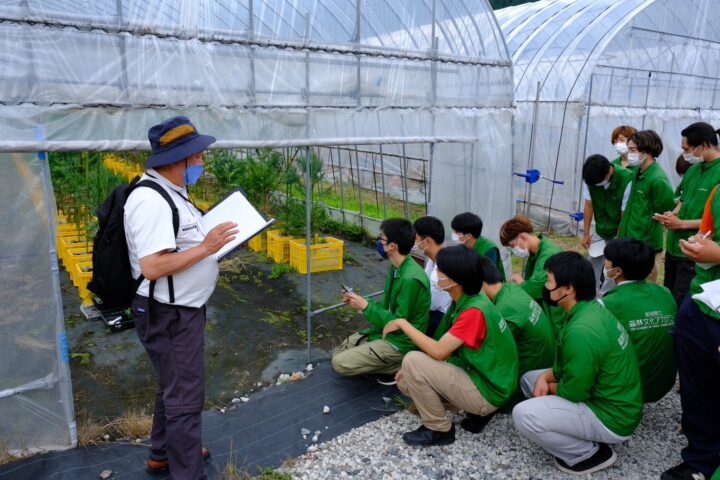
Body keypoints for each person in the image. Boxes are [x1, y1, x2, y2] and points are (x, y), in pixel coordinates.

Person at [124, 116, 239, 479]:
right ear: (179, 160)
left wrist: (213, 247)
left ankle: (163, 452)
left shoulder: (174, 193)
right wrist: (206, 247)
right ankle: (187, 471)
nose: (202, 162)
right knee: (185, 397)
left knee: (172, 386)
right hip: (169, 313)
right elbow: (154, 265)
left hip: (181, 309)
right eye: (198, 156)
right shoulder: (150, 201)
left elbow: (185, 244)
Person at [512, 252, 643, 476]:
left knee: (523, 414)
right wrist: (544, 378)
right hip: (611, 398)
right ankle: (568, 428)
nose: (545, 285)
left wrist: (549, 388)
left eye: (549, 280)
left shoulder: (581, 331)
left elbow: (574, 391)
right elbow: (567, 367)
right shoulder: (591, 308)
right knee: (529, 380)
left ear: (567, 288)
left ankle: (587, 454)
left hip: (611, 416)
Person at [382, 246, 519, 445]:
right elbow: (445, 346)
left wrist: (402, 324)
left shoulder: (474, 311)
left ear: (455, 280)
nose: (435, 274)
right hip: (487, 378)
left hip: (489, 391)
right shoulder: (469, 299)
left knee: (412, 361)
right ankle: (464, 411)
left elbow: (439, 352)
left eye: (440, 271)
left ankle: (439, 429)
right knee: (406, 380)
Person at [661, 186, 720, 480]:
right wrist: (701, 244)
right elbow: (710, 231)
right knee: (697, 385)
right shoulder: (719, 191)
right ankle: (700, 458)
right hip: (703, 300)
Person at [333, 218, 430, 378]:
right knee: (341, 350)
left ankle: (404, 363)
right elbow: (388, 309)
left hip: (401, 342)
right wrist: (360, 302)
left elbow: (398, 323)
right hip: (386, 332)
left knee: (340, 363)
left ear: (392, 246)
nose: (378, 242)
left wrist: (366, 306)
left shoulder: (410, 279)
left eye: (381, 238)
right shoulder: (397, 267)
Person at [600, 238, 676, 403]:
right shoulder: (665, 293)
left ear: (618, 271)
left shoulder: (607, 304)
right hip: (662, 385)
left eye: (606, 260)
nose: (604, 264)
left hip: (627, 390)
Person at [655, 123, 720, 305]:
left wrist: (681, 224)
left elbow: (713, 222)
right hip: (675, 246)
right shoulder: (692, 170)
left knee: (681, 301)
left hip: (695, 251)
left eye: (687, 149)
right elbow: (682, 201)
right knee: (668, 296)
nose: (685, 154)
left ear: (704, 145)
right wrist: (671, 216)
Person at [479, 256, 555, 406]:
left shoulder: (503, 310)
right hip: (546, 365)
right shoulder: (510, 288)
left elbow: (488, 353)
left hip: (528, 380)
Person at [618, 130, 675, 282]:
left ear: (647, 152)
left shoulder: (657, 179)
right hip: (631, 238)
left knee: (645, 283)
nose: (628, 154)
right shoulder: (637, 171)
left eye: (632, 150)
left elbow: (666, 210)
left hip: (645, 243)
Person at [499, 215, 564, 336]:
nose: (514, 250)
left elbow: (534, 287)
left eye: (513, 246)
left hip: (555, 312)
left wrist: (513, 286)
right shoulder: (536, 251)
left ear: (523, 237)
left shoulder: (548, 253)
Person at [580, 154, 633, 291]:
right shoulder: (590, 178)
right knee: (593, 262)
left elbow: (624, 215)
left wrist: (618, 242)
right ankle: (589, 291)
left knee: (613, 267)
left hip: (618, 231)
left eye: (599, 182)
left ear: (608, 172)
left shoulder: (627, 179)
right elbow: (589, 205)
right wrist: (586, 233)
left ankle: (607, 296)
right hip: (600, 230)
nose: (596, 185)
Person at [413, 216, 452, 337]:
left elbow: (431, 303)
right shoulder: (433, 259)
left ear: (427, 241)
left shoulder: (443, 266)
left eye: (415, 238)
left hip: (441, 318)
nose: (414, 243)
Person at [451, 212, 506, 281]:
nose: (453, 234)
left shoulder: (489, 249)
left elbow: (490, 277)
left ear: (468, 235)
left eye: (456, 232)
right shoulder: (461, 246)